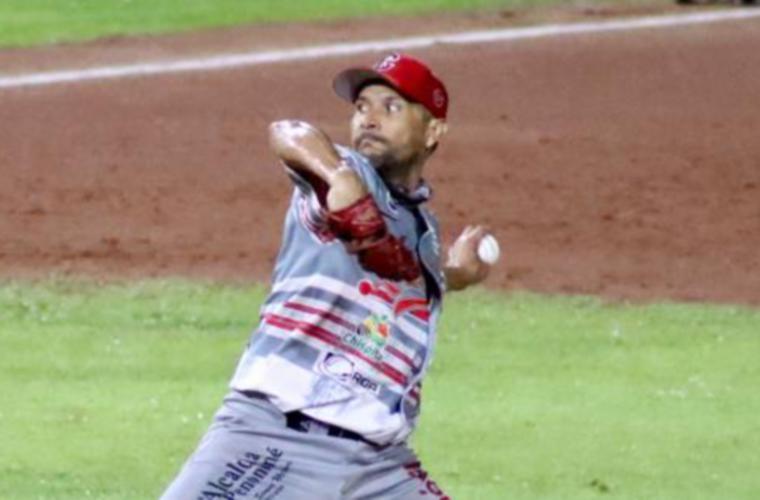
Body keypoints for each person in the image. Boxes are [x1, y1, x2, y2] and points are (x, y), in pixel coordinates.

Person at [161, 52, 493, 500]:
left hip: (379, 466)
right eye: (361, 108)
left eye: (391, 107)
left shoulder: (423, 228)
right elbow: (289, 132)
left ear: (433, 131)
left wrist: (453, 273)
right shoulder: (343, 174)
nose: (369, 119)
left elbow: (399, 279)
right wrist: (340, 179)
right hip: (276, 436)